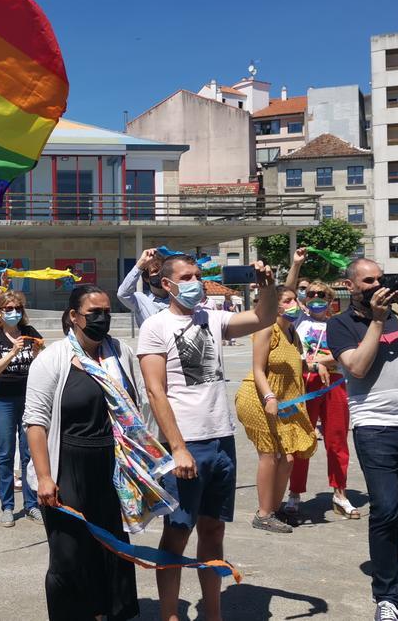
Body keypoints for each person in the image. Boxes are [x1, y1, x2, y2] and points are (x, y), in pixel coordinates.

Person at [139, 254, 278, 621]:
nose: (196, 282)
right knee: (178, 532)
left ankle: (213, 614)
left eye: (199, 275)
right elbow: (156, 391)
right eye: (187, 276)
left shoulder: (213, 318)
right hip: (186, 445)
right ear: (167, 284)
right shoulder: (156, 326)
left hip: (221, 442)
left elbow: (263, 317)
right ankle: (170, 614)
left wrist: (268, 287)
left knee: (213, 530)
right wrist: (178, 448)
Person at [25, 284, 171, 621]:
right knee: (70, 554)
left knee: (112, 548)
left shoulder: (120, 353)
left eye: (107, 312)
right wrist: (45, 477)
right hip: (68, 466)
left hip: (113, 467)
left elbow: (139, 406)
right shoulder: (52, 360)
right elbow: (35, 422)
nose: (103, 319)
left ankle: (109, 613)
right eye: (95, 313)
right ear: (74, 316)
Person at [328, 258, 398, 621]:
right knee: (386, 509)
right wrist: (376, 320)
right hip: (375, 427)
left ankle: (393, 586)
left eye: (381, 279)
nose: (376, 286)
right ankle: (385, 595)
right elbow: (356, 367)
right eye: (368, 281)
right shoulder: (340, 324)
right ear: (351, 285)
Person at [236, 253, 318, 534]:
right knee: (270, 456)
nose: (293, 304)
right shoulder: (266, 328)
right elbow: (258, 369)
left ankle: (273, 506)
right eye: (286, 302)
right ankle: (263, 513)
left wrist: (295, 264)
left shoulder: (293, 332)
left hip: (284, 402)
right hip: (259, 398)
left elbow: (288, 290)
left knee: (290, 458)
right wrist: (270, 397)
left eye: (296, 300)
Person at [287, 278, 359, 519]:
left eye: (322, 295)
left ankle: (340, 493)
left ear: (331, 301)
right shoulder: (299, 320)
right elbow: (287, 288)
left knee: (337, 440)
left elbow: (345, 354)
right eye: (311, 294)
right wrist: (296, 265)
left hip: (335, 384)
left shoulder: (339, 324)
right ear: (304, 299)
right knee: (301, 441)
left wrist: (320, 362)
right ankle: (295, 492)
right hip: (305, 384)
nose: (316, 297)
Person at [0, 290, 44, 526]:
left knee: (29, 452)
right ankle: (7, 506)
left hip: (28, 398)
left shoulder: (29, 332)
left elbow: (40, 364)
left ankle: (31, 505)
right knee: (6, 452)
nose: (14, 313)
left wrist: (38, 352)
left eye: (17, 308)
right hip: (3, 400)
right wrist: (12, 353)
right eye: (8, 309)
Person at [117, 248, 170, 326]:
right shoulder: (140, 300)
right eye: (155, 271)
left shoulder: (178, 299)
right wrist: (140, 265)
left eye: (162, 271)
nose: (160, 275)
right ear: (146, 278)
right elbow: (123, 294)